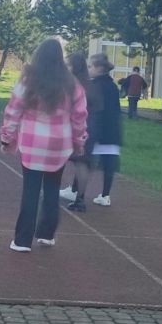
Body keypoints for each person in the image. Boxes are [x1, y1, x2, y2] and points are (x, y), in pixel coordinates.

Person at [0, 38, 87, 252]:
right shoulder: (72, 84)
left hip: (32, 143)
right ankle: (47, 234)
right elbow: (79, 117)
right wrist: (79, 141)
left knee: (30, 190)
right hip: (59, 145)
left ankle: (22, 240)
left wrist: (7, 137)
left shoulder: (28, 79)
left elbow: (13, 110)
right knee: (52, 188)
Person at [59, 52, 100, 212]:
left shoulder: (71, 86)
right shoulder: (91, 86)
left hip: (73, 127)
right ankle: (80, 199)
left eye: (68, 65)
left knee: (61, 160)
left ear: (74, 67)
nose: (65, 67)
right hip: (91, 128)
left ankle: (52, 192)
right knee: (82, 163)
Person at [88, 53, 122, 207]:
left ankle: (76, 191)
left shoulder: (94, 85)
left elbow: (93, 108)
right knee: (109, 164)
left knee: (84, 161)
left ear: (98, 68)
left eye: (90, 66)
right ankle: (105, 195)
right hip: (112, 130)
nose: (89, 69)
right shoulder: (113, 86)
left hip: (96, 129)